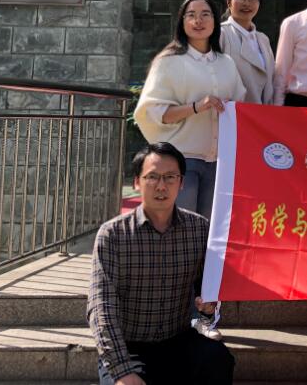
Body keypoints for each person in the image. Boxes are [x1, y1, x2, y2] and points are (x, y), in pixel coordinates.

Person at [88, 142, 236, 385]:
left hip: (178, 341)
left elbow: (206, 290)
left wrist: (208, 305)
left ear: (181, 183)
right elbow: (101, 307)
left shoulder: (199, 229)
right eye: (152, 177)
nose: (161, 186)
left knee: (217, 359)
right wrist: (122, 370)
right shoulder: (112, 234)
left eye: (170, 177)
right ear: (137, 182)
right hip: (129, 346)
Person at [134, 0, 246, 219]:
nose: (198, 21)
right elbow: (154, 113)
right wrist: (196, 107)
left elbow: (239, 108)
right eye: (191, 15)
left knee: (210, 228)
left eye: (205, 14)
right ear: (182, 21)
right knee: (179, 226)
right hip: (181, 160)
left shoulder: (227, 63)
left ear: (215, 21)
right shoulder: (168, 61)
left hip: (219, 162)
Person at [218, 0, 275, 105]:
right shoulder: (221, 34)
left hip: (263, 112)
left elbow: (271, 80)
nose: (246, 3)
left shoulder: (263, 39)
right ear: (229, 2)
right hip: (234, 112)